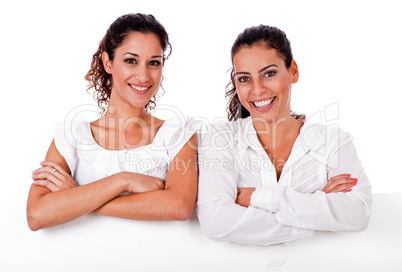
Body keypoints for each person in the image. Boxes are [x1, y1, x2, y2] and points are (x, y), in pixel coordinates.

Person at [196, 25, 372, 246]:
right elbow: (217, 222)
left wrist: (257, 198)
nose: (257, 90)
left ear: (293, 71)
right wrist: (315, 205)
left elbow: (357, 214)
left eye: (269, 73)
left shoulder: (334, 142)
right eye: (244, 79)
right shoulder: (220, 139)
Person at [27, 13, 198, 231]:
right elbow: (37, 214)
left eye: (154, 63)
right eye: (131, 61)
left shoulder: (178, 134)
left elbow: (179, 206)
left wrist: (76, 196)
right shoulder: (73, 136)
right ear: (108, 62)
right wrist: (123, 180)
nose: (144, 75)